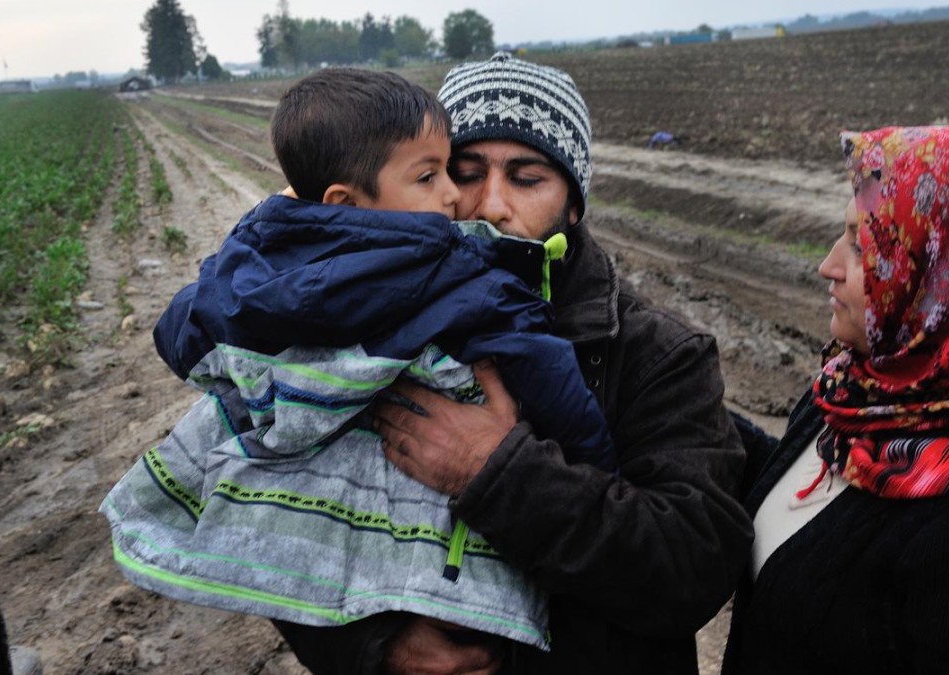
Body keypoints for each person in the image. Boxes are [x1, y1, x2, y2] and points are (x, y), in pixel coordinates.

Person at [100, 67, 618, 652]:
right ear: (349, 194)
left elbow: (181, 334)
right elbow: (544, 369)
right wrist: (595, 462)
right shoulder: (461, 276)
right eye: (451, 173)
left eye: (526, 178)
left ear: (574, 202)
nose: (475, 201)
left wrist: (274, 221)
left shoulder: (260, 274)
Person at [270, 52, 752, 675]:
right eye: (464, 172)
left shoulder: (656, 352)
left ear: (573, 204)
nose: (490, 205)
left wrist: (496, 471)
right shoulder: (361, 324)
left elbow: (692, 564)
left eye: (527, 178)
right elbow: (278, 520)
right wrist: (375, 649)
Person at [723, 125, 949, 674]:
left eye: (863, 246)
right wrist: (673, 395)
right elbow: (818, 507)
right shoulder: (859, 393)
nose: (829, 266)